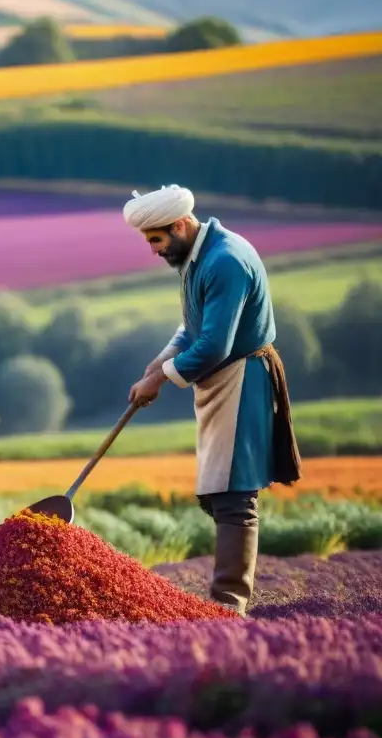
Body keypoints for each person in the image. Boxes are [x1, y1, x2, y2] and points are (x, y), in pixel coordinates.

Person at [122, 184, 302, 617]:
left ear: (180, 224)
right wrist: (159, 362)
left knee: (235, 493)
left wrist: (160, 380)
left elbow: (216, 345)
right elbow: (193, 326)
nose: (153, 251)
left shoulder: (225, 261)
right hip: (222, 380)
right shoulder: (198, 257)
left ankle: (228, 605)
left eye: (156, 240)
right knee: (221, 489)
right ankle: (225, 603)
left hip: (241, 377)